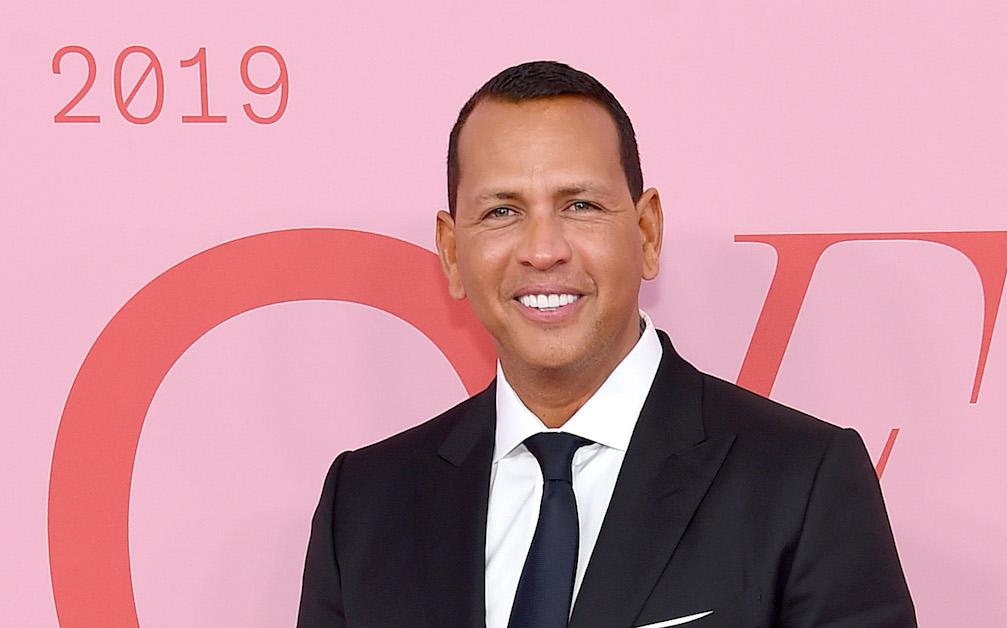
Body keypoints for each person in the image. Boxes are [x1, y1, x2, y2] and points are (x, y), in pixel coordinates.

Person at [298, 60, 916, 628]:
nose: (543, 250)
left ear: (647, 232)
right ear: (452, 252)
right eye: (501, 213)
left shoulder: (801, 479)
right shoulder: (365, 503)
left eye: (580, 204)